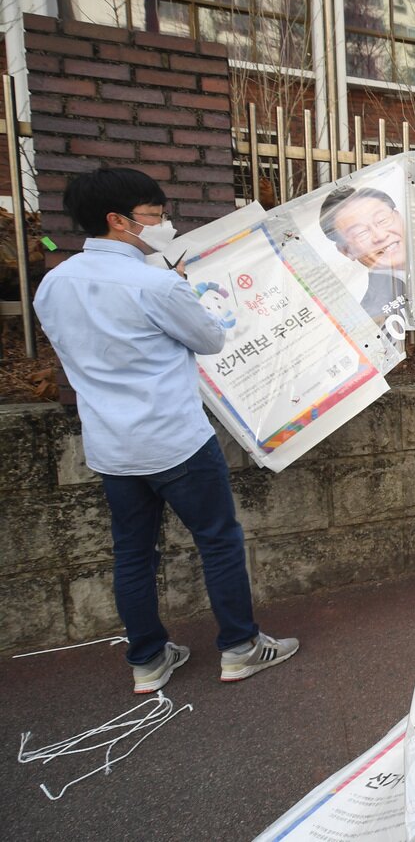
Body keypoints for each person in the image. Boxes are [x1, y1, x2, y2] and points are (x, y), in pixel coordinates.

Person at [33, 168, 298, 694]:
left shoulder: (53, 284)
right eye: (154, 216)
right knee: (218, 541)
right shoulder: (153, 282)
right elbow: (209, 339)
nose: (164, 224)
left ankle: (148, 660)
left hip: (111, 447)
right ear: (118, 221)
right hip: (176, 439)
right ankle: (240, 648)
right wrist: (178, 288)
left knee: (132, 553)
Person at [318, 185, 407, 324]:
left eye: (382, 220)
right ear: (346, 251)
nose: (380, 236)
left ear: (399, 216)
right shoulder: (368, 317)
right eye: (360, 233)